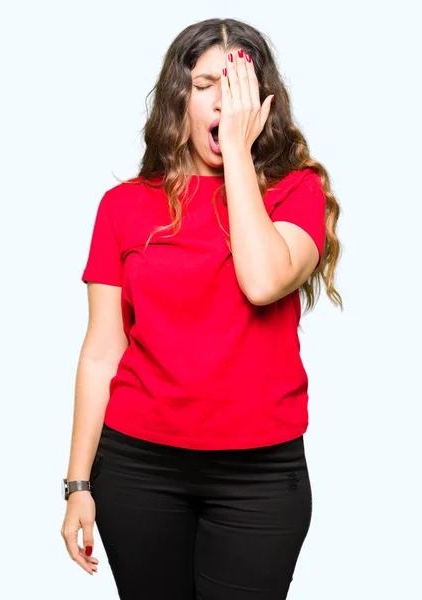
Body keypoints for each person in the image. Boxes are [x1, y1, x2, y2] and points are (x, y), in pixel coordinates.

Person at [60, 16, 343, 600]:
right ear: (180, 99)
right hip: (137, 468)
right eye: (206, 84)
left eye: (236, 85)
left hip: (259, 476)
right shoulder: (122, 207)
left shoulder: (297, 193)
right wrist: (78, 483)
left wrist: (237, 151)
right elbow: (101, 352)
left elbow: (262, 281)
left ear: (262, 104)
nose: (222, 102)